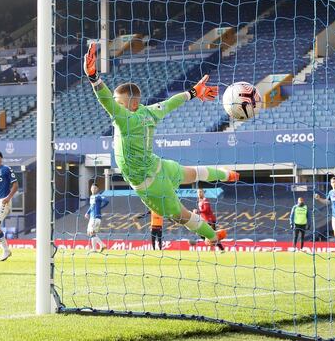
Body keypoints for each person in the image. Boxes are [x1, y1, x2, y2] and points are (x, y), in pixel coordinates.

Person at [83, 41, 237, 247]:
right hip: (160, 166)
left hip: (151, 186)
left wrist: (94, 78)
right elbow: (171, 103)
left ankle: (212, 236)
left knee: (181, 215)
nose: (116, 106)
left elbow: (105, 101)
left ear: (133, 104)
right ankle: (228, 175)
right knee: (191, 173)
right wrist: (192, 92)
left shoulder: (124, 119)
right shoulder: (149, 112)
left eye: (119, 103)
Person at [197, 188, 224, 253]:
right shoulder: (200, 201)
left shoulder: (205, 200)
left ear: (203, 193)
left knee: (212, 235)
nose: (199, 193)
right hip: (205, 220)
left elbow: (207, 210)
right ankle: (216, 247)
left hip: (210, 220)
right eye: (198, 192)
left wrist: (198, 211)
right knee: (205, 234)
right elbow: (203, 213)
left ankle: (221, 249)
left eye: (201, 192)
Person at [84, 184, 109, 253]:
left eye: (95, 188)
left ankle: (100, 246)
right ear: (90, 189)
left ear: (97, 189)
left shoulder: (98, 196)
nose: (93, 189)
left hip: (95, 217)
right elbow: (91, 206)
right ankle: (96, 248)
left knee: (91, 233)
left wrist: (101, 207)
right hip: (92, 217)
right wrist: (87, 213)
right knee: (90, 233)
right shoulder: (92, 197)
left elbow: (106, 201)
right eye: (92, 188)